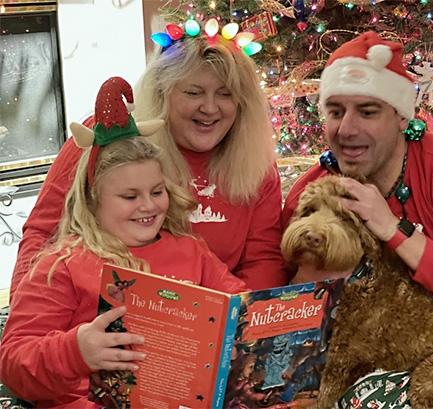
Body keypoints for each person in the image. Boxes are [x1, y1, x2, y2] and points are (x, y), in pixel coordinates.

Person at [281, 31, 433, 407]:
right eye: (336, 111)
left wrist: (394, 230)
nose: (346, 130)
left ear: (399, 115)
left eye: (368, 111)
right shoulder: (310, 194)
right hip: (388, 352)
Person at [0, 77, 248, 408]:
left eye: (157, 191)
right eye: (130, 196)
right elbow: (14, 362)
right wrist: (75, 351)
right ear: (93, 200)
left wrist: (249, 324)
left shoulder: (190, 251)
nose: (148, 206)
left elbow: (238, 304)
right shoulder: (62, 265)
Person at [10, 30, 288, 302]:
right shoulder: (103, 137)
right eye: (194, 93)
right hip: (95, 320)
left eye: (225, 94)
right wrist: (27, 318)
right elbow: (43, 234)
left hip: (209, 326)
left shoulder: (257, 164)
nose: (210, 108)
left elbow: (262, 259)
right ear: (161, 92)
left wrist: (245, 333)